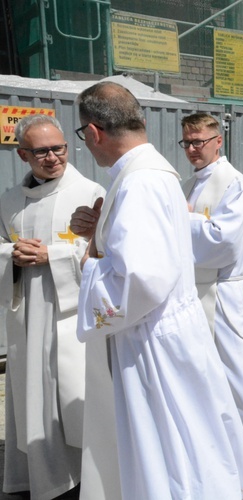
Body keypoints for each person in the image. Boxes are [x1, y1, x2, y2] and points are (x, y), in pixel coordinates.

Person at [70, 82, 243, 499]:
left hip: (151, 338)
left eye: (84, 137)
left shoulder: (139, 182)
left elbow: (142, 279)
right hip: (167, 327)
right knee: (189, 438)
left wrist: (86, 265)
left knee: (169, 450)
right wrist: (101, 232)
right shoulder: (153, 171)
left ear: (94, 133)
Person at [0, 115, 104, 500]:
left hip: (68, 316)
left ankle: (80, 476)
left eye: (59, 148)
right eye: (41, 151)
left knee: (71, 396)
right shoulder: (10, 201)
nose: (53, 158)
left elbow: (103, 251)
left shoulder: (89, 191)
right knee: (32, 395)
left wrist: (54, 255)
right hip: (26, 315)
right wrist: (11, 254)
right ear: (23, 154)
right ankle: (38, 475)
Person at [180, 113, 243, 462]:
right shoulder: (188, 184)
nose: (192, 149)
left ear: (217, 141)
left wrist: (183, 217)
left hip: (223, 290)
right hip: (196, 290)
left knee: (240, 369)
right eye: (187, 143)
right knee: (205, 369)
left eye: (199, 142)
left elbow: (224, 241)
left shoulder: (233, 182)